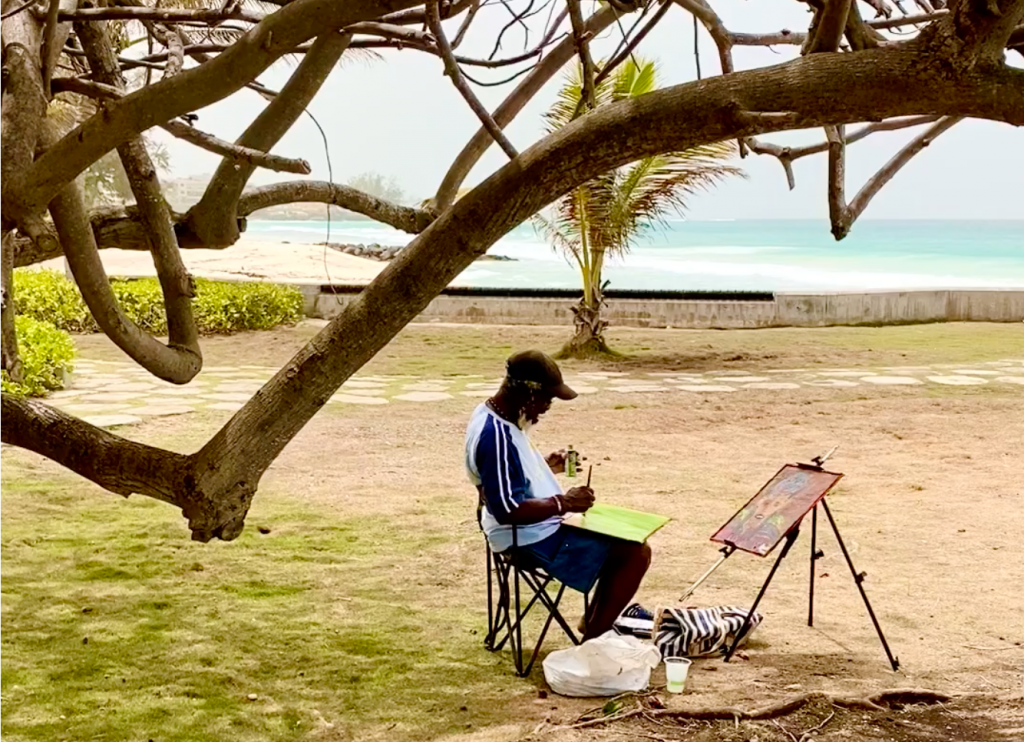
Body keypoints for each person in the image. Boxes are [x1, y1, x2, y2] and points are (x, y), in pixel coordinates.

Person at [465, 349, 651, 640]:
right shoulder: (496, 435)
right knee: (635, 552)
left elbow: (509, 476)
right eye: (547, 399)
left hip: (534, 528)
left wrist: (547, 466)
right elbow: (507, 509)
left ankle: (594, 623)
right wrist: (564, 503)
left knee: (627, 535)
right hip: (525, 537)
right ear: (528, 394)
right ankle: (594, 638)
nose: (547, 407)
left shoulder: (497, 415)